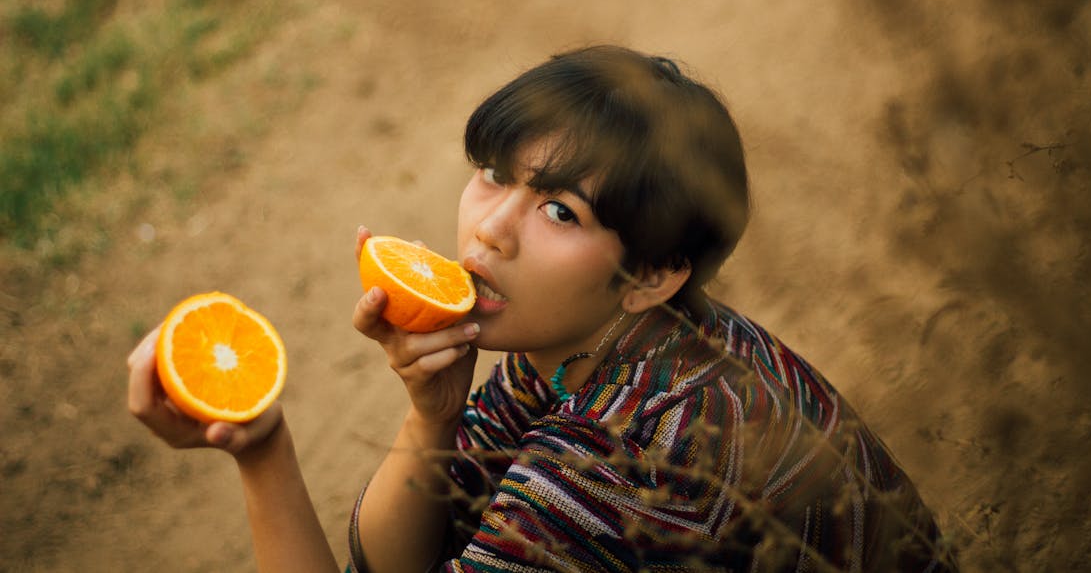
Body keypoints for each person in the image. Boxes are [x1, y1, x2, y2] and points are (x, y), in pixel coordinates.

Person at [128, 45, 956, 571]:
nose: (489, 230)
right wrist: (430, 421)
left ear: (652, 275)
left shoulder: (633, 457)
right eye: (494, 174)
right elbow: (385, 564)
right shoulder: (584, 351)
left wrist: (262, 454)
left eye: (560, 212)